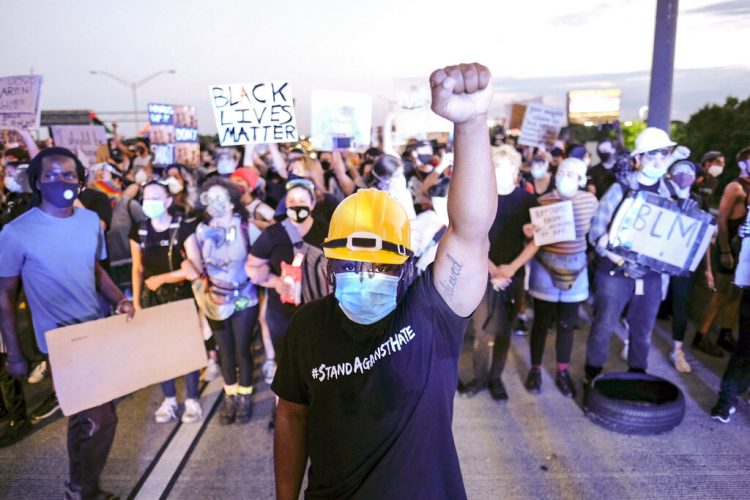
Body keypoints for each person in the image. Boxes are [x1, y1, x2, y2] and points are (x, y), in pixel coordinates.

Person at [273, 62, 496, 499]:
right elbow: (291, 416)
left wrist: (471, 124)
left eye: (380, 266)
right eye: (350, 265)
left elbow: (470, 231)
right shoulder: (308, 326)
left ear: (407, 267)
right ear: (330, 265)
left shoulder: (432, 311)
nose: (364, 277)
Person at [0, 147, 135, 499]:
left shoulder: (90, 221)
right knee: (101, 418)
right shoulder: (16, 232)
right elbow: (5, 295)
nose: (62, 181)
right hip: (59, 341)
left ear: (80, 180)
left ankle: (81, 487)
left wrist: (118, 299)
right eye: (51, 175)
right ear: (36, 182)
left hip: (96, 330)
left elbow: (95, 269)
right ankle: (82, 488)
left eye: (69, 175)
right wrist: (14, 353)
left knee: (85, 418)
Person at [584, 128, 683, 383]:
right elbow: (596, 233)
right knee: (604, 325)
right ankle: (592, 374)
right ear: (639, 159)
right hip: (616, 272)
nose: (658, 162)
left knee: (643, 328)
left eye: (663, 155)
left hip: (651, 274)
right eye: (652, 156)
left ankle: (638, 375)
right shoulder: (620, 190)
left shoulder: (671, 193)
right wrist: (622, 261)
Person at [458, 144, 538, 400]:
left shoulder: (527, 200)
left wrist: (511, 269)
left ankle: (495, 378)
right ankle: (480, 377)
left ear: (516, 169)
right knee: (481, 330)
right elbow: (473, 236)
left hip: (513, 273)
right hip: (483, 270)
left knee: (505, 330)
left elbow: (538, 239)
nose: (500, 171)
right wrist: (493, 269)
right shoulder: (481, 197)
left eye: (506, 166)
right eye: (496, 166)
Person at [183, 178, 260, 425]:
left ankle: (245, 398)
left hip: (243, 299)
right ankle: (230, 397)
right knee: (225, 351)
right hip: (214, 300)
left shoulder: (247, 227)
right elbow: (196, 266)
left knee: (241, 349)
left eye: (220, 197)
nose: (214, 203)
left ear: (231, 202)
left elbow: (263, 258)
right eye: (210, 198)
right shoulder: (200, 231)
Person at [130, 180, 202, 424]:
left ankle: (192, 398)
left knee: (186, 348)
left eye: (156, 197)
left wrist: (162, 278)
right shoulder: (138, 230)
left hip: (181, 295)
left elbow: (196, 267)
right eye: (146, 197)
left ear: (169, 201)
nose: (149, 202)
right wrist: (137, 302)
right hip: (153, 298)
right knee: (160, 351)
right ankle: (169, 399)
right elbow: (137, 268)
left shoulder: (183, 228)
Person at [524, 158, 597, 396]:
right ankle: (535, 369)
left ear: (581, 179)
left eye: (571, 174)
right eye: (562, 172)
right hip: (545, 267)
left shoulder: (590, 201)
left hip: (576, 270)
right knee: (541, 323)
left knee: (567, 325)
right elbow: (532, 237)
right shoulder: (542, 201)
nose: (565, 177)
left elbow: (595, 232)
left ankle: (562, 371)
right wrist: (527, 231)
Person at [693, 147, 750, 356]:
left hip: (744, 251)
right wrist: (725, 251)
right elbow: (722, 219)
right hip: (730, 250)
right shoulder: (735, 187)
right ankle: (701, 335)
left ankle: (725, 334)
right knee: (720, 295)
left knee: (736, 294)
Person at [665, 160, 713, 373]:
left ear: (695, 178)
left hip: (683, 260)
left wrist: (707, 267)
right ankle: (633, 343)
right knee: (647, 299)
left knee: (681, 304)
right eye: (679, 172)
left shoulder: (699, 201)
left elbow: (704, 234)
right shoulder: (662, 194)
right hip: (658, 257)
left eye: (689, 172)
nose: (684, 176)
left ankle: (678, 350)